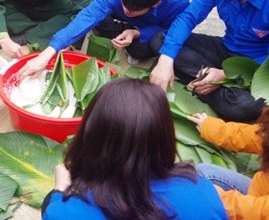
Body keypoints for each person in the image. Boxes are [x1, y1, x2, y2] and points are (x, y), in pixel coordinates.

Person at [41, 78, 227, 219]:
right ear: (165, 136)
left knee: (49, 201)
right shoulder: (202, 192)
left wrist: (59, 193)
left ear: (91, 137)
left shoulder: (65, 213)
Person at [150, 0, 269, 123]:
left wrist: (226, 75)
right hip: (225, 49)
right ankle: (209, 85)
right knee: (161, 40)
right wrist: (166, 60)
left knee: (248, 107)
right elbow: (189, 17)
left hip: (257, 65)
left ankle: (204, 83)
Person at [17, 0, 190, 78]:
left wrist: (137, 33)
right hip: (122, 19)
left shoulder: (177, 0)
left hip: (150, 28)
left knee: (147, 47)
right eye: (124, 5)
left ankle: (128, 31)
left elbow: (172, 31)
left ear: (155, 4)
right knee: (96, 17)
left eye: (134, 9)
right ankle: (124, 28)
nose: (127, 10)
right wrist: (48, 53)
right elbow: (87, 17)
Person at [187, 109, 269, 218]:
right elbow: (251, 136)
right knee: (205, 172)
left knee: (201, 192)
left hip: (256, 211)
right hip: (259, 192)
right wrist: (210, 127)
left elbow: (256, 211)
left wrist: (216, 197)